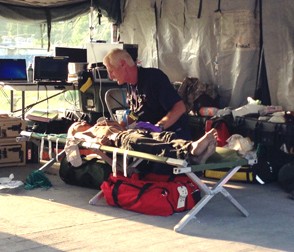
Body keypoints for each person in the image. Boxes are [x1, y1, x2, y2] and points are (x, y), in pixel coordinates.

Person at [103, 48, 191, 140]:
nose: (110, 76)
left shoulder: (153, 78)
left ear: (122, 64)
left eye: (111, 71)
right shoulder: (130, 85)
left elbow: (180, 107)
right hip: (153, 138)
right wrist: (120, 125)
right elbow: (136, 113)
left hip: (174, 137)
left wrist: (158, 127)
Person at [67, 120, 218, 165]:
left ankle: (196, 156)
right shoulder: (83, 134)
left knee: (165, 136)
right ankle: (190, 150)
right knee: (141, 142)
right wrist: (99, 142)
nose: (80, 121)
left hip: (130, 132)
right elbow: (88, 144)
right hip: (121, 140)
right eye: (76, 124)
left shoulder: (100, 123)